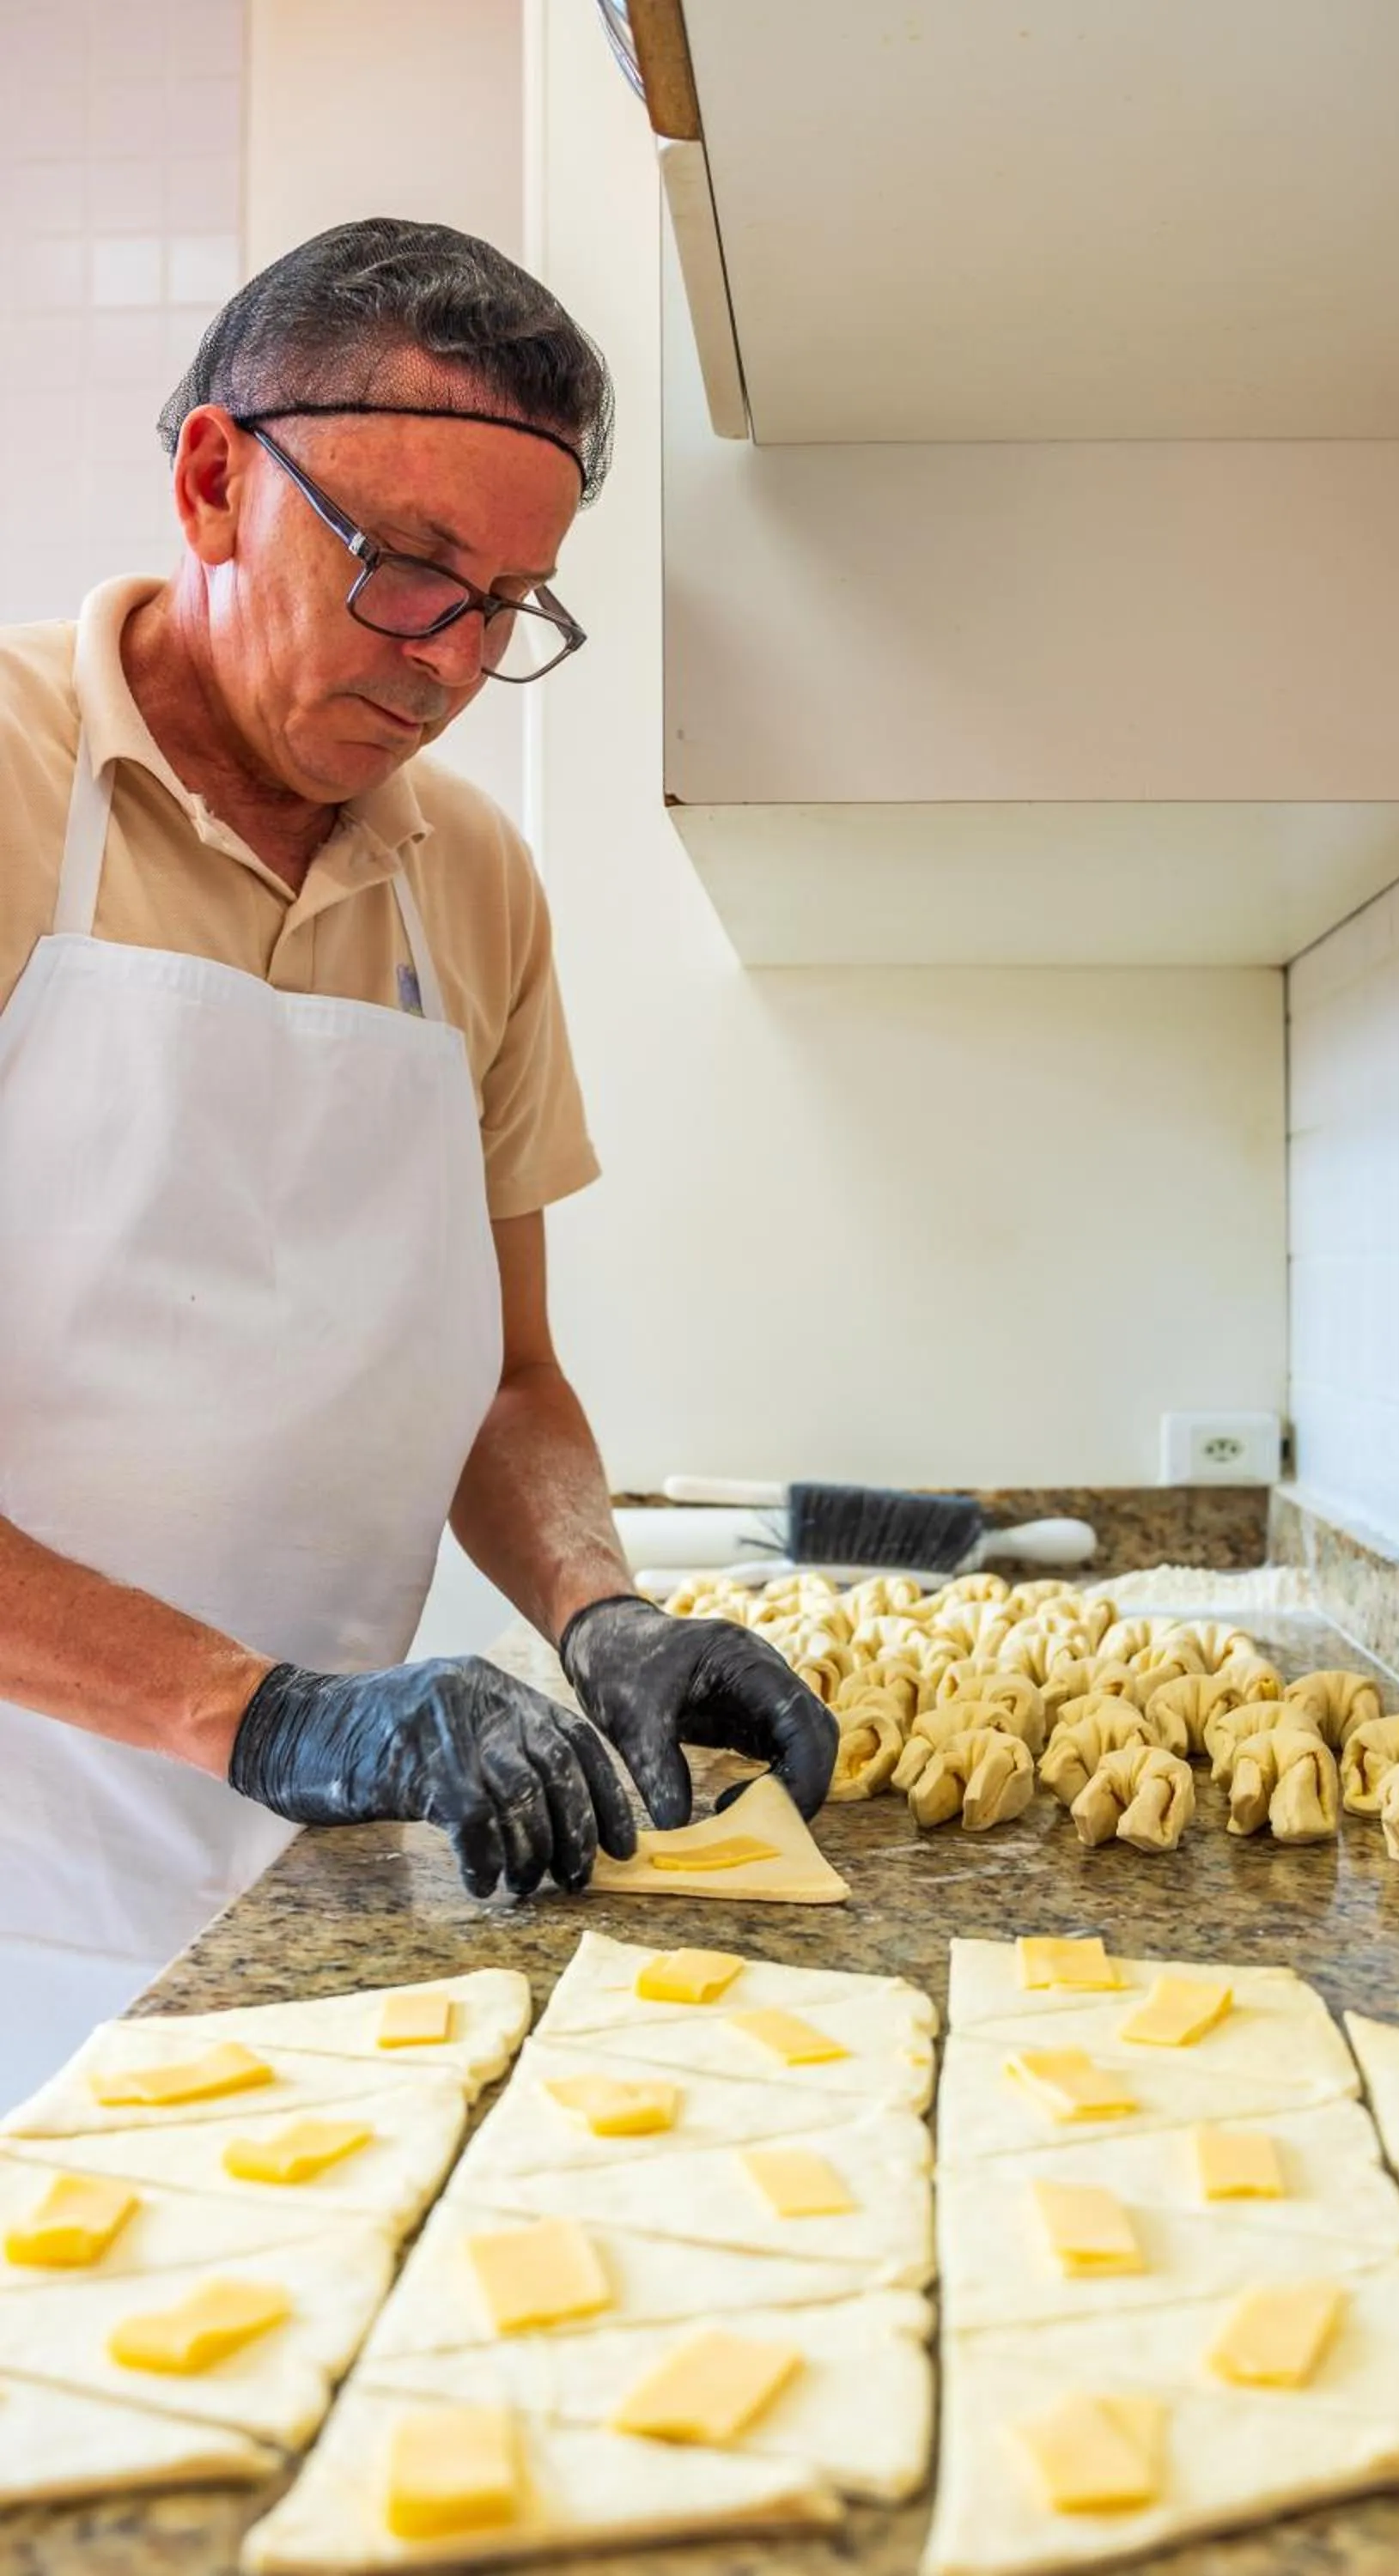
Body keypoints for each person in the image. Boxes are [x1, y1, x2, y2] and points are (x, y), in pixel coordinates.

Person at [0, 216, 834, 2093]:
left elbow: (502, 1380)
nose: (451, 660)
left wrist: (597, 1607)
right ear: (216, 481)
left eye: (510, 604)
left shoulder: (469, 877)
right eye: (403, 570)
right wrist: (268, 1713)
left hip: (305, 1888)